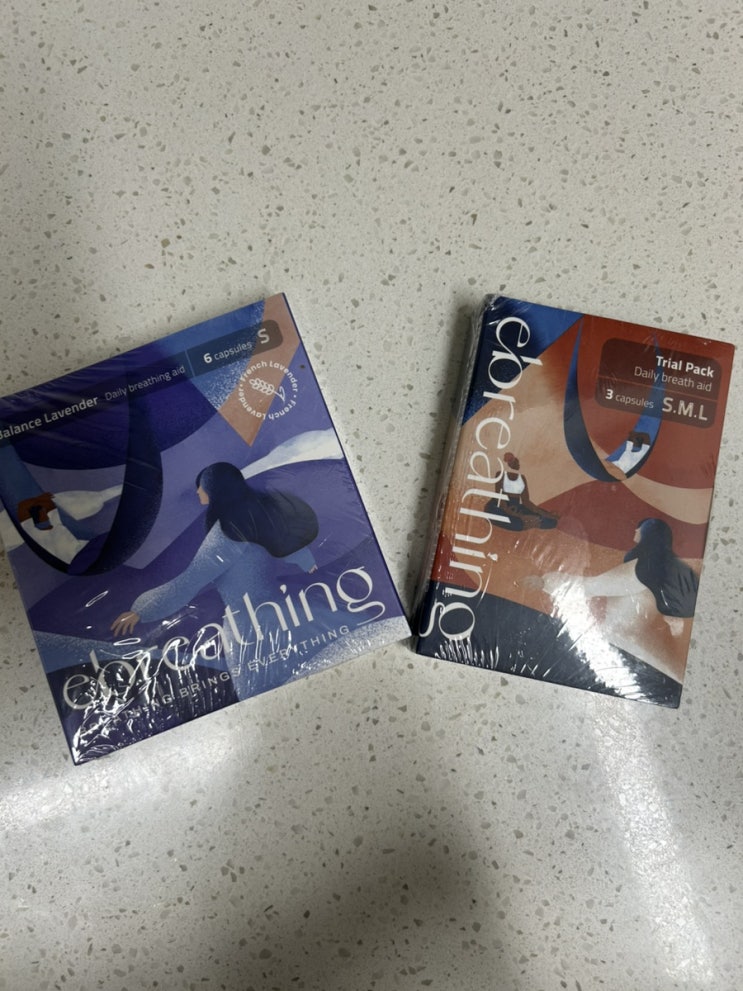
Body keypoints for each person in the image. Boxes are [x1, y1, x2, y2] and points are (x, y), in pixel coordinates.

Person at [111, 462, 318, 637]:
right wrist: (307, 561)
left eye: (201, 485)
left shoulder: (227, 533)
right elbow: (283, 542)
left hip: (254, 629)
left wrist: (141, 611)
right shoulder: (256, 516)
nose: (197, 491)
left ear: (216, 488)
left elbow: (190, 581)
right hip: (285, 614)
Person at [485, 452, 558, 531]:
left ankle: (530, 521)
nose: (515, 462)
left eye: (515, 460)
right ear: (506, 463)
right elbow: (499, 498)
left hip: (516, 507)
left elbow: (526, 501)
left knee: (551, 522)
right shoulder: (500, 474)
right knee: (517, 524)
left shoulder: (522, 478)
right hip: (500, 507)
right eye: (510, 460)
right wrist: (516, 515)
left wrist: (546, 514)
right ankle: (524, 522)